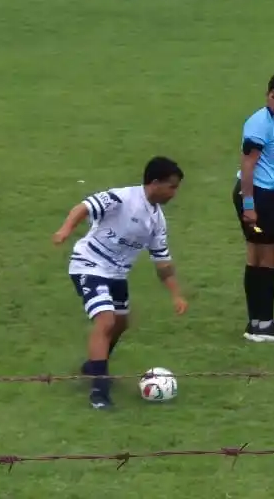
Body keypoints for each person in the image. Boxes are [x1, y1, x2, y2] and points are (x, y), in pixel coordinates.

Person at [51, 157, 188, 410]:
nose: (174, 193)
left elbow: (163, 263)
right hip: (89, 263)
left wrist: (176, 295)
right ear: (155, 183)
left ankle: (93, 365)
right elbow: (84, 207)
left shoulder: (157, 221)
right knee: (106, 320)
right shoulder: (122, 198)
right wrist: (65, 230)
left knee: (121, 323)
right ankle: (99, 392)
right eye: (172, 186)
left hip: (116, 274)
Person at [233, 73, 274, 343]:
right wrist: (249, 205)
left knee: (258, 255)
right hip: (256, 196)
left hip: (266, 194)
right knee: (268, 257)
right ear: (267, 95)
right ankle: (264, 325)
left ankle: (256, 324)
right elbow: (248, 165)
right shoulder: (259, 124)